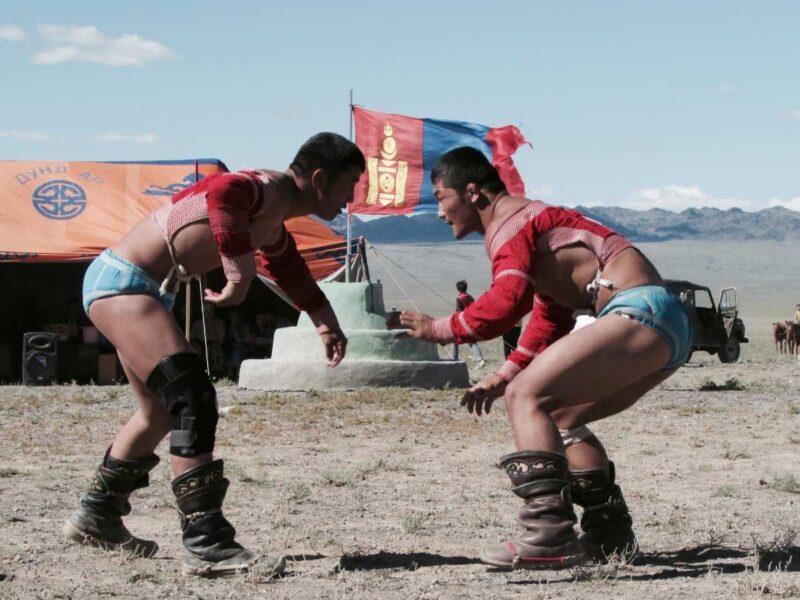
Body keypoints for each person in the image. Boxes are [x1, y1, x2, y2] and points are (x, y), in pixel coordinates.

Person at [65, 132, 364, 577]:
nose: (351, 199)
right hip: (125, 283)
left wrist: (325, 319)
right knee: (193, 399)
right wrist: (240, 276)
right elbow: (222, 190)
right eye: (350, 185)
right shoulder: (263, 187)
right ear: (320, 178)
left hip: (136, 288)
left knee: (158, 414)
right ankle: (207, 543)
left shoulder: (272, 219)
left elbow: (291, 272)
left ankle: (97, 516)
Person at [396, 147, 690, 569]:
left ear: (473, 192)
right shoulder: (534, 223)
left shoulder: (508, 224)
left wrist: (440, 329)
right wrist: (504, 374)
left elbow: (506, 302)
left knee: (525, 398)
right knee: (563, 417)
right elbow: (549, 315)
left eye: (441, 197)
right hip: (666, 323)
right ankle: (609, 536)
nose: (439, 211)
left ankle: (549, 536)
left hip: (638, 310)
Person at [451, 280, 486, 367]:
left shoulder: (459, 298)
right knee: (471, 341)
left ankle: (454, 359)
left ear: (458, 289)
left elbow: (459, 311)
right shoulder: (470, 297)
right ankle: (479, 359)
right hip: (471, 320)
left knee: (455, 340)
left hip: (462, 322)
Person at [189, 303, 227, 378]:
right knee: (194, 351)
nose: (208, 314)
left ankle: (217, 374)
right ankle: (197, 375)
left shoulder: (220, 323)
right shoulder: (197, 324)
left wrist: (210, 347)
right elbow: (192, 337)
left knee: (217, 352)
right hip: (200, 344)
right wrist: (196, 345)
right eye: (206, 312)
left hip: (215, 344)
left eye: (210, 311)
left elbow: (222, 339)